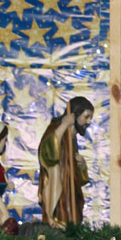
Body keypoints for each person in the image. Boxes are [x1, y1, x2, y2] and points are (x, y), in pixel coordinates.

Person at [38, 96, 94, 226]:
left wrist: (82, 166)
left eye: (90, 118)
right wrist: (64, 125)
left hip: (70, 192)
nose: (89, 121)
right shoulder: (56, 129)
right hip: (58, 188)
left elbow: (76, 175)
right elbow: (48, 155)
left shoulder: (72, 137)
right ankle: (53, 219)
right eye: (86, 117)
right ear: (74, 115)